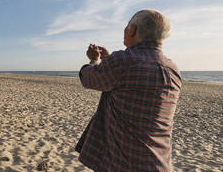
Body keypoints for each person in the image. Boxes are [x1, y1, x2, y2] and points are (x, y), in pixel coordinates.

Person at [76, 9, 182, 171]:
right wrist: (108, 60)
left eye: (127, 26)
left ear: (132, 30)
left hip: (125, 162)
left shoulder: (123, 61)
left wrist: (94, 60)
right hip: (159, 162)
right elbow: (129, 83)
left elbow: (88, 78)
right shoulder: (173, 69)